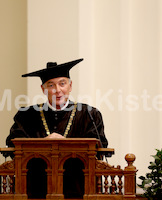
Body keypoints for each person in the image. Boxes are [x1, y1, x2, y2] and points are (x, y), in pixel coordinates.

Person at [6, 58, 108, 199]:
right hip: (36, 189)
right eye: (51, 85)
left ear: (70, 86)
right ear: (43, 89)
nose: (57, 90)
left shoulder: (89, 114)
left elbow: (100, 146)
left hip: (78, 188)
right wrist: (43, 143)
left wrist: (66, 144)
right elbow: (12, 144)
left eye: (62, 84)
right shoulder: (26, 115)